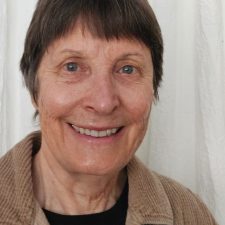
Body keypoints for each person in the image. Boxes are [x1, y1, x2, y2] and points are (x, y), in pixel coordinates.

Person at [0, 0, 218, 224]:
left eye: (127, 69)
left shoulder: (189, 214)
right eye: (72, 67)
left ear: (153, 87)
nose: (103, 103)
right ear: (34, 88)